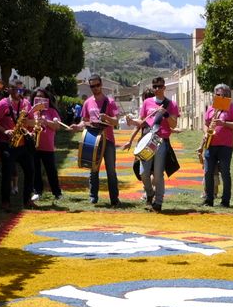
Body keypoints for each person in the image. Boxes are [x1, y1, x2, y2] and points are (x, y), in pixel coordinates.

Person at [127, 77, 179, 212]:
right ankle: (150, 193)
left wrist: (166, 114)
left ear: (164, 88)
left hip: (161, 141)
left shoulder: (171, 104)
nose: (157, 89)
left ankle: (159, 202)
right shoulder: (147, 102)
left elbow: (174, 124)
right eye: (155, 87)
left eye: (159, 87)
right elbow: (142, 121)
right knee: (143, 172)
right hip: (147, 139)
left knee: (158, 174)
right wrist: (132, 122)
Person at [73, 74, 122, 206]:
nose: (95, 88)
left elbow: (116, 121)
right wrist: (77, 127)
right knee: (93, 169)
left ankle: (114, 199)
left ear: (101, 85)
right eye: (92, 86)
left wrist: (106, 117)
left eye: (97, 85)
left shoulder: (110, 102)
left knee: (111, 170)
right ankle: (93, 197)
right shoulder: (87, 102)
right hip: (93, 139)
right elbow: (84, 121)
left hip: (108, 140)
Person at [0, 83, 29, 209]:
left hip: (23, 143)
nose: (18, 91)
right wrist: (4, 131)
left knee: (30, 171)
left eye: (21, 89)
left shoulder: (26, 103)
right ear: (9, 90)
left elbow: (31, 119)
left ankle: (27, 200)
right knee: (7, 173)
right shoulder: (3, 103)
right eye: (15, 88)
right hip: (7, 143)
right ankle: (5, 201)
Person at [200, 84, 233, 207]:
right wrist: (205, 132)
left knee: (225, 172)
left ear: (229, 96)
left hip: (225, 145)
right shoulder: (211, 108)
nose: (221, 97)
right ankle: (209, 199)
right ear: (214, 95)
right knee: (208, 172)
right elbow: (205, 123)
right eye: (218, 95)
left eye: (224, 95)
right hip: (211, 144)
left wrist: (224, 123)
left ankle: (225, 200)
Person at [29, 88, 66, 204]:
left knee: (51, 170)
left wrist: (46, 122)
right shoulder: (31, 110)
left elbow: (57, 126)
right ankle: (37, 191)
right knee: (35, 170)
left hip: (47, 146)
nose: (40, 99)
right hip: (34, 144)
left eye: (42, 97)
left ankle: (57, 193)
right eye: (37, 96)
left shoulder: (51, 111)